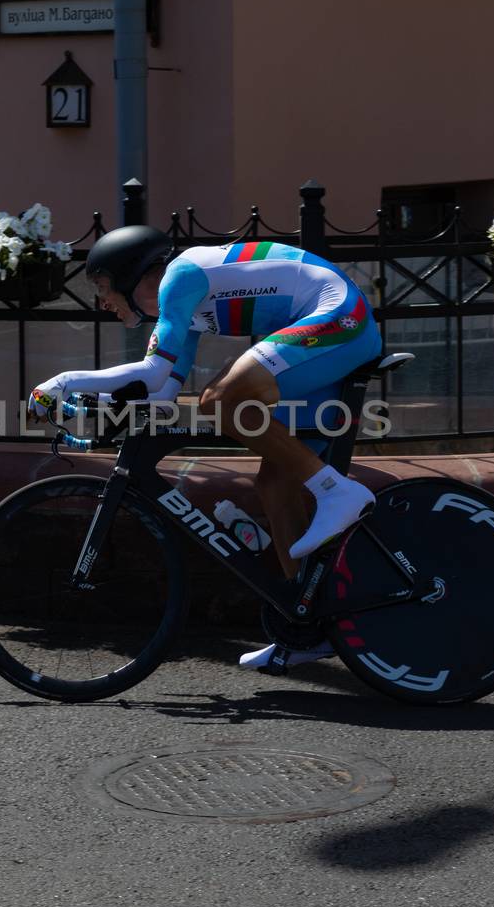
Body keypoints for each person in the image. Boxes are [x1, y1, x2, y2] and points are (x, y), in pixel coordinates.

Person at [28, 224, 383, 671]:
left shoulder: (180, 276)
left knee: (221, 400)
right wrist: (91, 403)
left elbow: (152, 372)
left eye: (102, 287)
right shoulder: (187, 309)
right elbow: (161, 390)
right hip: (329, 330)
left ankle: (337, 492)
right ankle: (307, 626)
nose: (103, 301)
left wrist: (62, 382)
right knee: (274, 483)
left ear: (129, 275)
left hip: (338, 317)